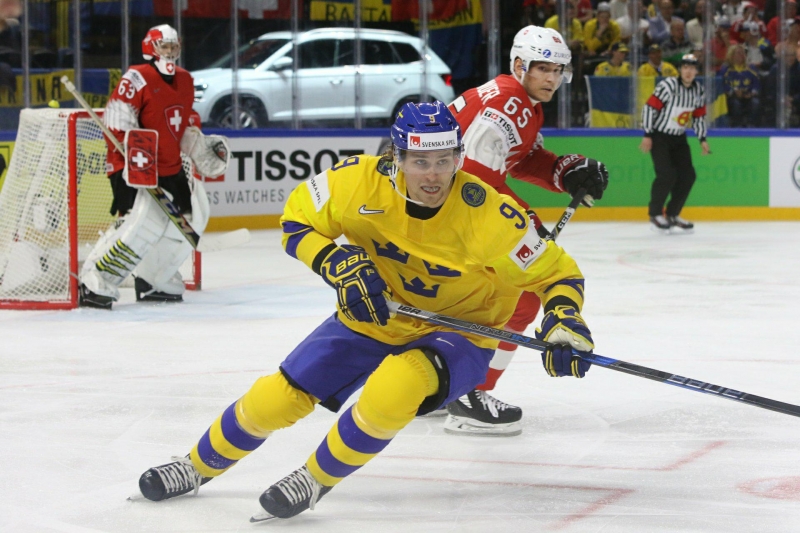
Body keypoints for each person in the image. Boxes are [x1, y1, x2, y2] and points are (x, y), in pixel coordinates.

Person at [135, 100, 595, 521]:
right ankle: (195, 467)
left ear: (458, 157)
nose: (433, 176)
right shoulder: (355, 181)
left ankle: (314, 479)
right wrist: (335, 261)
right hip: (376, 312)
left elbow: (558, 275)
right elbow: (296, 221)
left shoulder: (492, 215)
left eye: (444, 161)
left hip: (463, 332)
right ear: (397, 158)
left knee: (395, 389)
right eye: (420, 162)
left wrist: (564, 323)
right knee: (278, 396)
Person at [443, 25, 609, 436]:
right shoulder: (507, 104)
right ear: (520, 65)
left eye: (558, 70)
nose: (552, 78)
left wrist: (563, 171)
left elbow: (519, 158)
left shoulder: (521, 100)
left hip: (433, 207)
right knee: (518, 301)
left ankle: (445, 383)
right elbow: (476, 185)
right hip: (442, 211)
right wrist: (524, 224)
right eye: (542, 69)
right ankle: (470, 394)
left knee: (469, 302)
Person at [79, 25, 228, 309]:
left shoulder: (185, 80)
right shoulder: (136, 77)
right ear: (150, 48)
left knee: (188, 222)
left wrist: (197, 144)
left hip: (170, 167)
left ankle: (154, 278)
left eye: (174, 47)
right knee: (139, 225)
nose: (170, 53)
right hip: (132, 166)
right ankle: (95, 280)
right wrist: (136, 153)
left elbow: (184, 121)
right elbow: (117, 118)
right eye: (165, 47)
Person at [640, 54, 710, 233]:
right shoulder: (668, 86)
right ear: (680, 70)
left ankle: (672, 213)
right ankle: (655, 214)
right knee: (666, 175)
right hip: (660, 136)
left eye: (692, 68)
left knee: (688, 176)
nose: (688, 71)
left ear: (696, 71)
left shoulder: (698, 91)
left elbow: (699, 116)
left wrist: (702, 138)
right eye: (685, 67)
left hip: (679, 137)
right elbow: (650, 107)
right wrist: (648, 133)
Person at [721, 44, 761, 126]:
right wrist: (733, 92)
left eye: (742, 53)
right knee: (736, 104)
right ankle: (737, 126)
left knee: (755, 103)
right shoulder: (725, 69)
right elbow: (723, 84)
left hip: (749, 96)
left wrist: (752, 93)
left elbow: (756, 84)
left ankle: (751, 126)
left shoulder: (751, 68)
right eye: (738, 53)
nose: (741, 55)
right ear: (731, 55)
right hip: (732, 97)